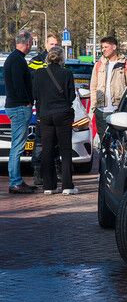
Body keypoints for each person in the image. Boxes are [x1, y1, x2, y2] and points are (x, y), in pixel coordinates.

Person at [33, 46, 77, 195]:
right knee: (65, 150)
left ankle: (49, 186)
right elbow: (71, 97)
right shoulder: (67, 73)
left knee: (47, 150)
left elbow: (36, 95)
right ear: (62, 58)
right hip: (63, 114)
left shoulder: (39, 74)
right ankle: (67, 185)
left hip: (45, 115)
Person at [4, 31, 37, 193]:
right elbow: (19, 85)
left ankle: (16, 181)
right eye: (31, 42)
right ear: (27, 43)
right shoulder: (17, 60)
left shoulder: (14, 59)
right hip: (19, 106)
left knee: (17, 145)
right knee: (17, 146)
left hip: (15, 105)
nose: (31, 45)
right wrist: (27, 101)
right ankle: (15, 182)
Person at [29, 34, 60, 188]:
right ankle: (38, 172)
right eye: (51, 43)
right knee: (40, 142)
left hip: (56, 107)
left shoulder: (60, 61)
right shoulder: (36, 62)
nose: (53, 46)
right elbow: (30, 83)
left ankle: (54, 172)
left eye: (56, 44)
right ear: (45, 44)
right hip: (41, 107)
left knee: (56, 141)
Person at [89, 36, 127, 139]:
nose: (103, 50)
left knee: (117, 139)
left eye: (106, 47)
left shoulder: (125, 64)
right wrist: (94, 108)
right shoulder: (98, 65)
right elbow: (93, 87)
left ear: (114, 47)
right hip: (101, 110)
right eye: (102, 47)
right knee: (103, 139)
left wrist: (126, 108)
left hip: (117, 110)